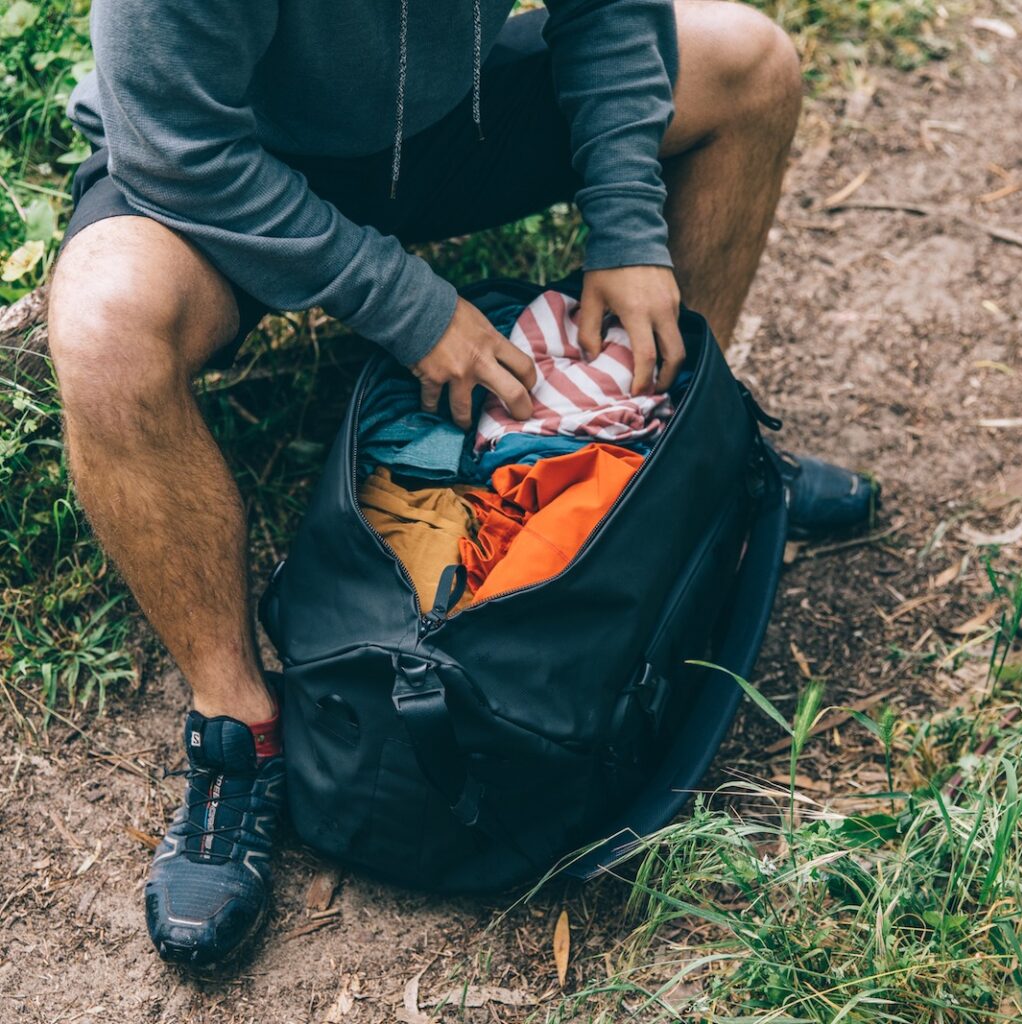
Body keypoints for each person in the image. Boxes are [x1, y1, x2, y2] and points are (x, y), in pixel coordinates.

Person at [46, 0, 873, 967]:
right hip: (235, 165)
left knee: (750, 64)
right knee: (104, 330)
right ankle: (238, 728)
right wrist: (406, 305)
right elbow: (178, 151)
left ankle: (684, 469)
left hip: (444, 121)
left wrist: (628, 223)